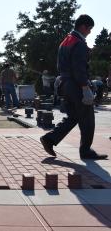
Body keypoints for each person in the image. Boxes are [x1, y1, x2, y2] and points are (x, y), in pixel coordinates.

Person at [40, 14, 107, 160]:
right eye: (89, 29)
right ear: (83, 26)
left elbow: (62, 65)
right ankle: (85, 151)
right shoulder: (79, 43)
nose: (89, 32)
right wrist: (85, 88)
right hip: (76, 85)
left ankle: (50, 139)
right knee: (88, 118)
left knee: (74, 116)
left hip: (65, 84)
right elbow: (79, 68)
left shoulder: (65, 41)